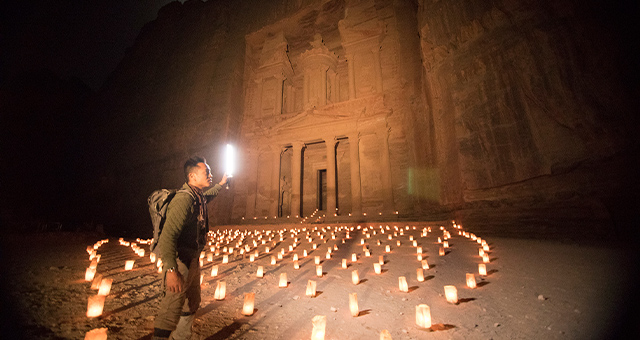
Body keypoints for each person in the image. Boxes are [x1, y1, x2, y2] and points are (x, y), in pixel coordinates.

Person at [153, 156, 227, 340]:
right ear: (192, 176)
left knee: (191, 304)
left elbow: (207, 197)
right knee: (171, 308)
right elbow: (167, 236)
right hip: (180, 261)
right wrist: (171, 270)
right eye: (206, 172)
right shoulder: (184, 200)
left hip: (192, 259)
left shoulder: (197, 196)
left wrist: (220, 184)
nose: (210, 174)